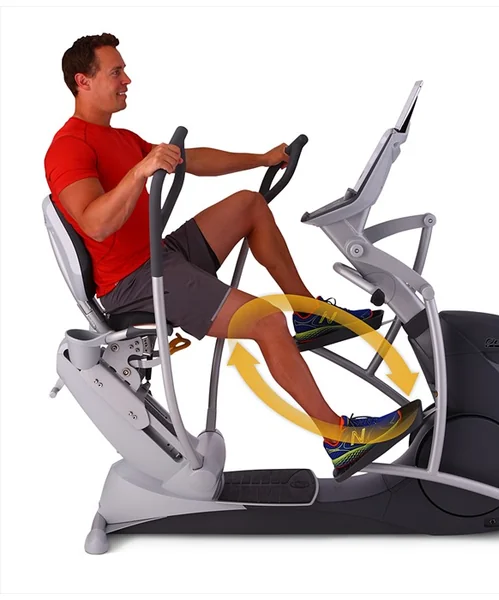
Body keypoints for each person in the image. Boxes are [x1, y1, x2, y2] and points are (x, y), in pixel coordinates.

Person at [44, 33, 412, 480]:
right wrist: (141, 171)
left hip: (160, 253)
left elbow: (191, 160)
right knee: (266, 321)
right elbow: (95, 223)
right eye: (116, 72)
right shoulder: (69, 146)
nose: (127, 80)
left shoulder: (119, 137)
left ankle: (309, 314)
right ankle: (340, 439)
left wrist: (261, 159)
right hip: (134, 281)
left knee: (248, 205)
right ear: (82, 81)